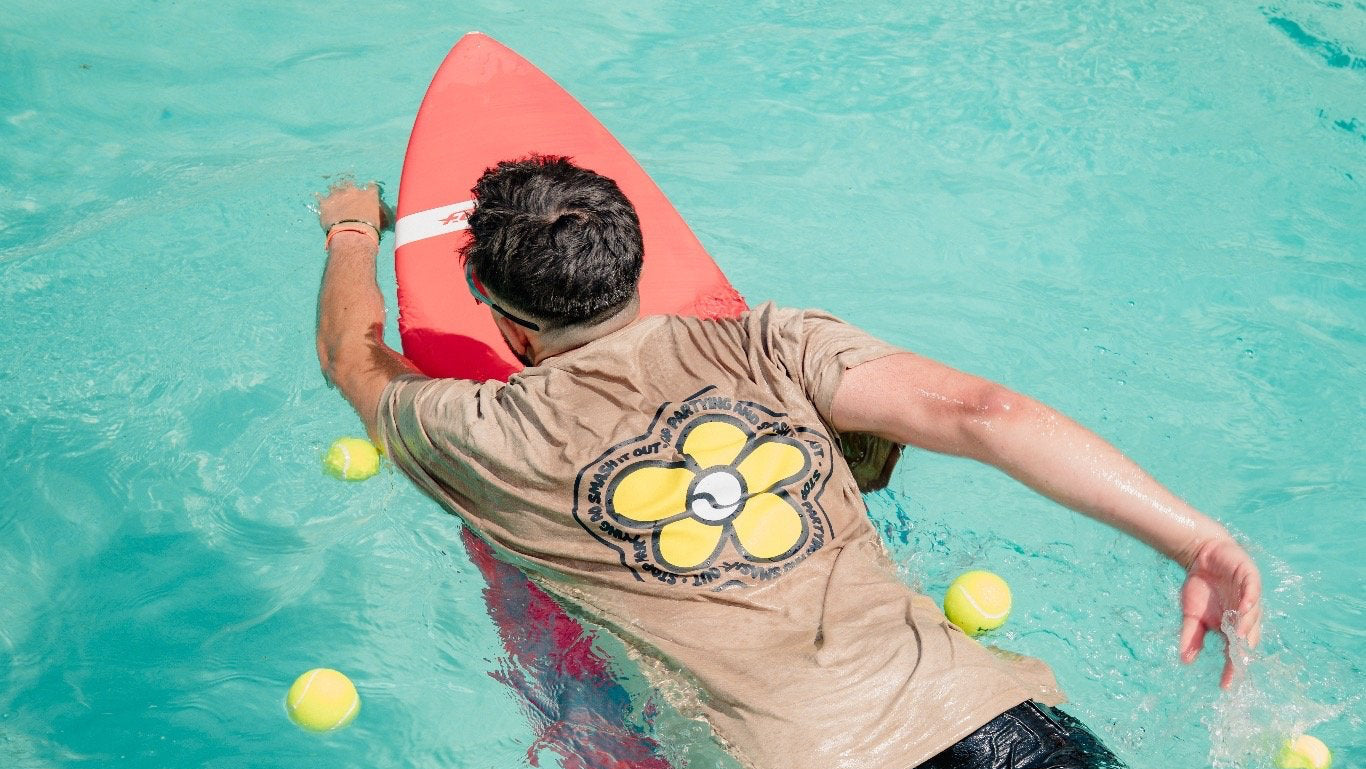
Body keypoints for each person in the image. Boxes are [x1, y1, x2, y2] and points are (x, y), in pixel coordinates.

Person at [313, 156, 1262, 769]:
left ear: (501, 314)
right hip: (994, 724)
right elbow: (986, 413)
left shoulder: (483, 433)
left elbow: (350, 357)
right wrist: (1198, 541)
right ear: (635, 260)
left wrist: (352, 230)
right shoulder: (772, 342)